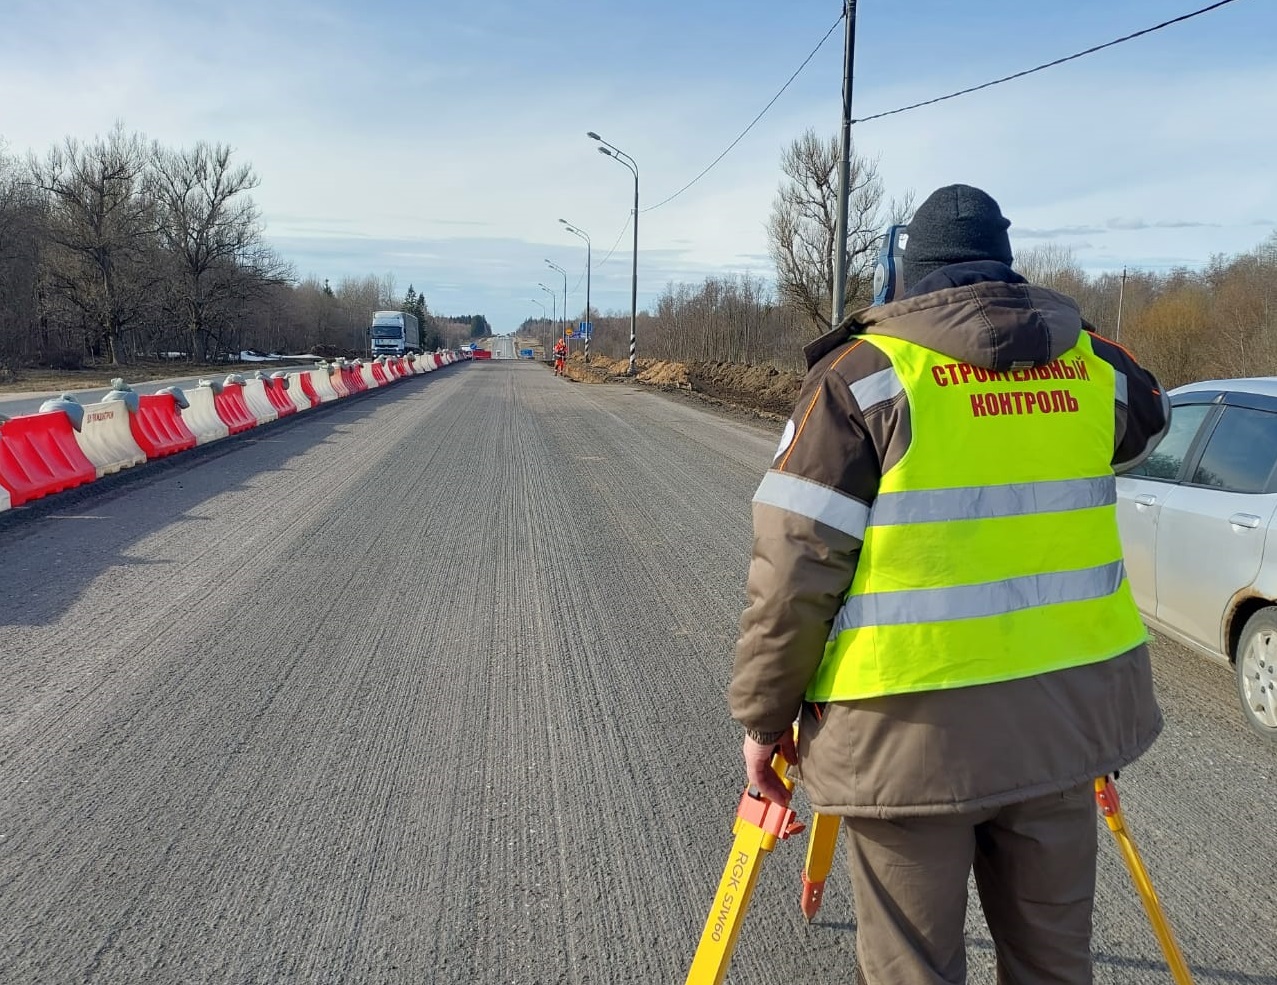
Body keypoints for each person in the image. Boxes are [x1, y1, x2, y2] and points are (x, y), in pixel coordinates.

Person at [729, 184, 1171, 984]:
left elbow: (794, 565)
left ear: (904, 271)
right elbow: (1152, 408)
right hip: (1060, 734)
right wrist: (1056, 321)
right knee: (1052, 965)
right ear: (1007, 268)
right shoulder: (1086, 367)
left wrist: (764, 719)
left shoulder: (862, 376)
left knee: (912, 970)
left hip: (905, 746)